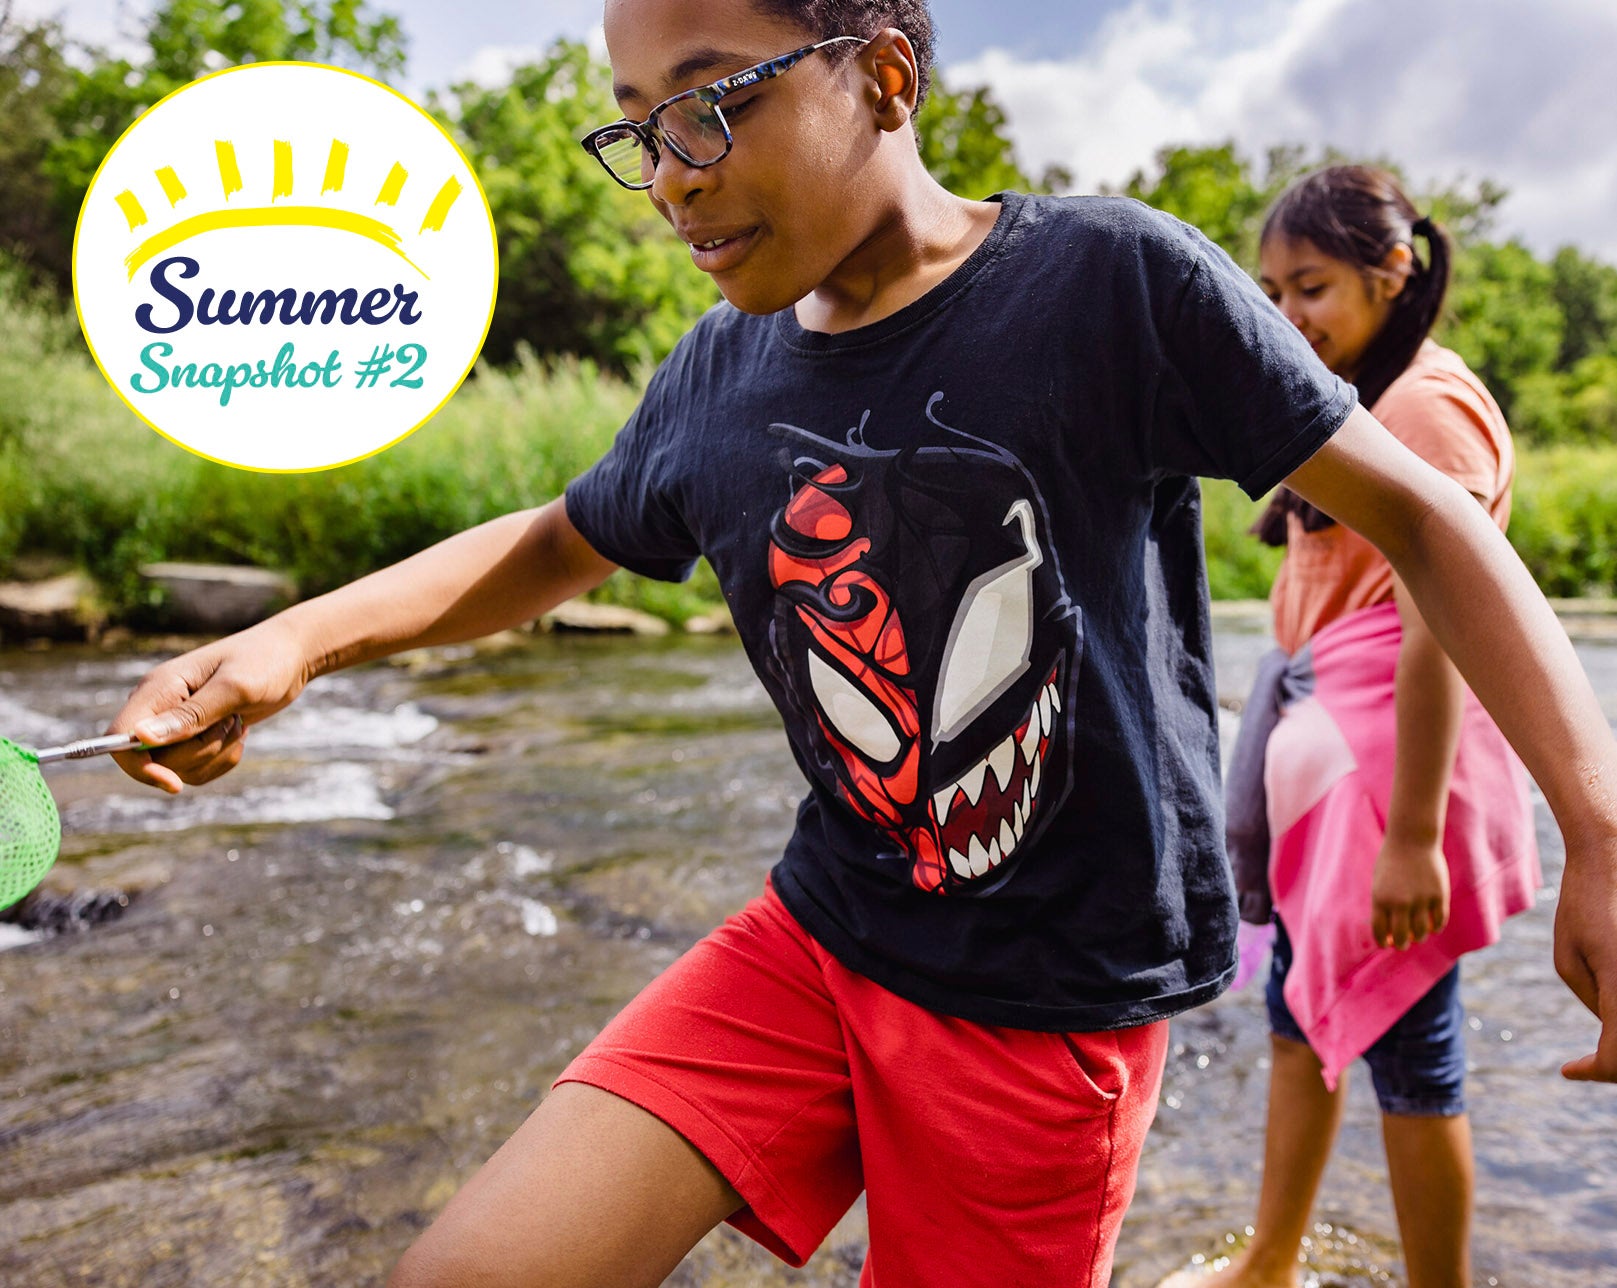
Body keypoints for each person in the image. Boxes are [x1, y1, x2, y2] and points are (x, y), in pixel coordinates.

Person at [104, 4, 1617, 1285]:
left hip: (1040, 1018)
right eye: (636, 127)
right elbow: (565, 536)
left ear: (883, 76)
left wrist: (1597, 827)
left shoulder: (1108, 283)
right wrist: (296, 642)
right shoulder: (720, 368)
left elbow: (1427, 520)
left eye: (706, 105)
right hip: (815, 941)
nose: (667, 179)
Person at [1157, 168, 1543, 1288]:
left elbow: (1439, 632)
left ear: (1393, 275)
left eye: (1311, 288)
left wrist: (1413, 834)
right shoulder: (1355, 399)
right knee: (1294, 1012)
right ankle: (1271, 1258)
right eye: (1271, 293)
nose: (1287, 320)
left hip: (1386, 779)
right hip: (1332, 758)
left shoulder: (1424, 404)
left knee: (1415, 1051)